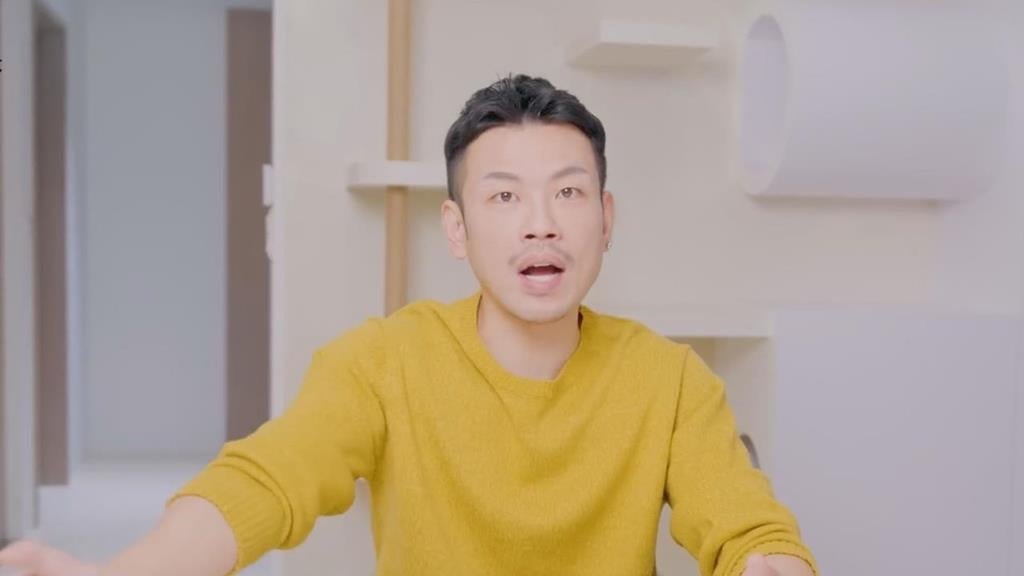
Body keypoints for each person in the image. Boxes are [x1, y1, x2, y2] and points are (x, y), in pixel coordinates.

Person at [0, 75, 817, 576]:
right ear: (456, 229)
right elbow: (265, 480)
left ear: (606, 219)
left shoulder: (670, 382)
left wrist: (769, 564)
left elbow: (747, 526)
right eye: (504, 196)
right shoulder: (383, 363)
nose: (540, 223)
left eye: (568, 193)